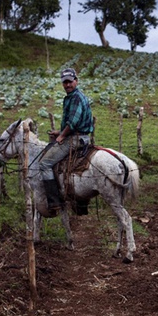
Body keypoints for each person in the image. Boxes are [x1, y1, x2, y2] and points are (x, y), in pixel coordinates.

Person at [39, 68, 94, 212]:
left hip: (76, 138)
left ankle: (54, 201)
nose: (67, 85)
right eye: (65, 82)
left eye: (70, 81)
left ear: (76, 81)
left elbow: (73, 122)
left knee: (44, 163)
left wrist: (61, 136)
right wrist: (60, 131)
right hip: (81, 135)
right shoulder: (75, 96)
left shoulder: (75, 98)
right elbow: (73, 122)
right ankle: (80, 202)